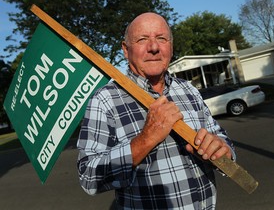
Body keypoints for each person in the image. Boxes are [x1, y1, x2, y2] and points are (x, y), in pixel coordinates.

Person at [77, 12, 236, 210]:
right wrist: (147, 138)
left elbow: (219, 135)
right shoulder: (104, 100)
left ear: (171, 46)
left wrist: (223, 148)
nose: (153, 47)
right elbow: (89, 177)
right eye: (142, 39)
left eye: (161, 38)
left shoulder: (188, 89)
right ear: (126, 50)